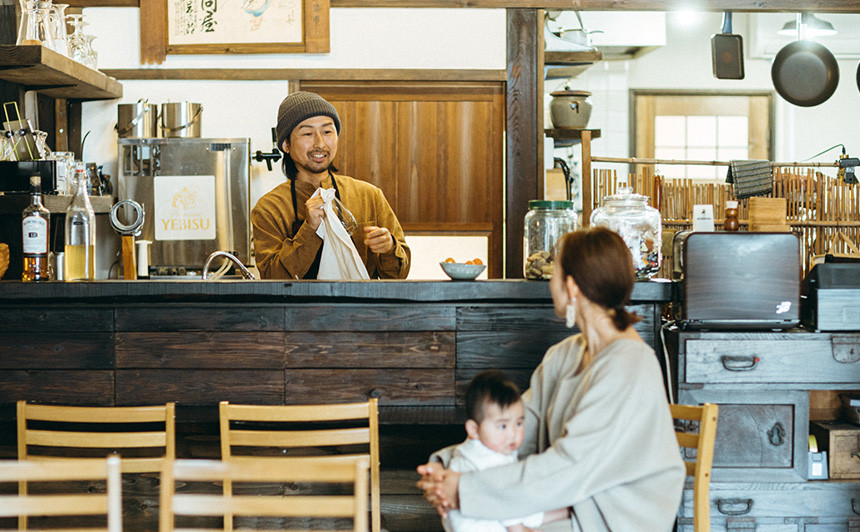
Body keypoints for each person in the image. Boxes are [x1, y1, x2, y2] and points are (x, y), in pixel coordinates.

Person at [417, 227, 685, 532]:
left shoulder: (630, 366)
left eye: (553, 274)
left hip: (607, 518)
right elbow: (515, 428)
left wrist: (465, 490)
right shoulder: (565, 355)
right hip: (565, 503)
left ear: (571, 287)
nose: (549, 284)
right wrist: (447, 467)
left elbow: (570, 467)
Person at [251, 91, 411, 279]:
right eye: (308, 133)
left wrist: (389, 248)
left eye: (327, 132)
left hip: (360, 307)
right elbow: (272, 279)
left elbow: (399, 275)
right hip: (299, 308)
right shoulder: (269, 208)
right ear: (286, 144)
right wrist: (309, 229)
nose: (320, 143)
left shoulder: (369, 196)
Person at [443, 370, 568, 532]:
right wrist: (519, 529)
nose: (513, 434)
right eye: (502, 426)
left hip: (488, 512)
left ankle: (562, 512)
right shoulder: (487, 460)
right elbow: (503, 499)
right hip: (481, 525)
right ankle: (561, 512)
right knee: (522, 504)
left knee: (528, 502)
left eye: (518, 423)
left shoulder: (476, 448)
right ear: (474, 429)